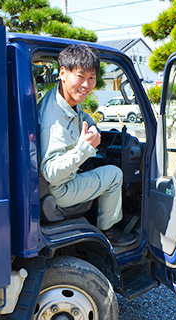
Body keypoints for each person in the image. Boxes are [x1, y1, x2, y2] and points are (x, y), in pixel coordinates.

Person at [38, 44, 136, 246]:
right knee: (114, 175)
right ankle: (108, 232)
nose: (87, 84)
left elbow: (78, 115)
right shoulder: (53, 122)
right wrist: (84, 148)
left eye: (91, 78)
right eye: (80, 76)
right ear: (63, 73)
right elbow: (50, 173)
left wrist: (91, 125)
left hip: (60, 182)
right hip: (60, 189)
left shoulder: (60, 98)